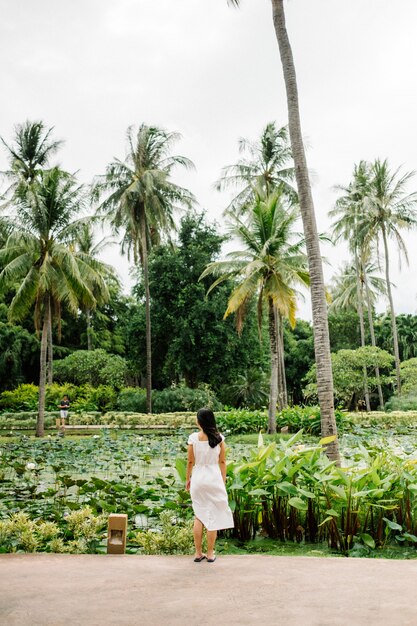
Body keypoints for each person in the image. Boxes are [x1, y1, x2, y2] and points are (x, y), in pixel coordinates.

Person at [186, 407, 234, 563]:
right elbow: (222, 461)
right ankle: (211, 553)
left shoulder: (193, 438)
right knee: (213, 515)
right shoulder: (219, 438)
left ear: (199, 421)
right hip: (214, 477)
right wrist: (223, 479)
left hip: (198, 478)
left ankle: (198, 553)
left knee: (199, 515)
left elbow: (190, 461)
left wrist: (188, 479)